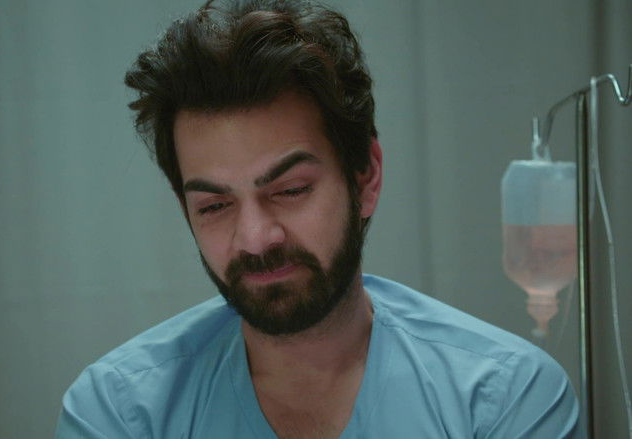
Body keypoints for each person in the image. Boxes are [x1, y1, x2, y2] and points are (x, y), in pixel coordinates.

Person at [56, 0, 579, 437]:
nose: (256, 238)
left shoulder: (505, 400)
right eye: (214, 206)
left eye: (290, 190)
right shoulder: (121, 412)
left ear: (365, 177)